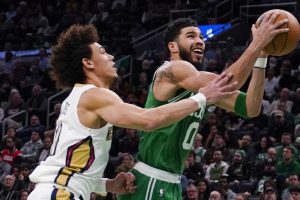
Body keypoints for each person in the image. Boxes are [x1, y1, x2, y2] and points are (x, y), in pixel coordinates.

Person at [28, 24, 238, 200]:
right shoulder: (95, 96)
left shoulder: (79, 97)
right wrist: (202, 98)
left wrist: (108, 185)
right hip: (60, 193)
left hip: (56, 190)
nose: (110, 56)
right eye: (102, 52)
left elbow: (71, 167)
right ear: (88, 63)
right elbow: (149, 120)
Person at [118, 14, 288, 200]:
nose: (199, 41)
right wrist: (256, 45)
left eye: (200, 37)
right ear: (172, 47)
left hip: (170, 181)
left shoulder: (202, 87)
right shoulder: (171, 70)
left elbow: (251, 108)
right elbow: (230, 83)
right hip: (151, 179)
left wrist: (261, 57)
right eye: (191, 36)